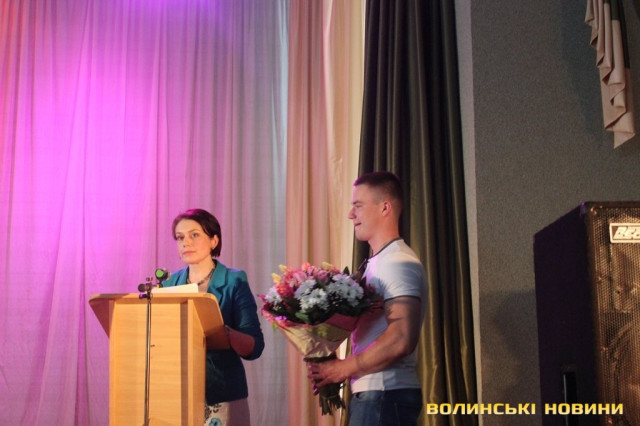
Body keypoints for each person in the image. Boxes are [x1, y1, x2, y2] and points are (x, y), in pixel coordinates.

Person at [308, 171, 428, 425]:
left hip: (384, 395)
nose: (350, 214)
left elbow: (401, 339)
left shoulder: (398, 262)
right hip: (376, 397)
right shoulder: (380, 261)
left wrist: (342, 369)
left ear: (385, 208)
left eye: (358, 206)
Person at [162, 208, 264, 426]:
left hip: (222, 394)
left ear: (214, 241)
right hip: (177, 394)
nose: (186, 243)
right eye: (180, 237)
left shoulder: (234, 280)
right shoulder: (168, 285)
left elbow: (255, 346)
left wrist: (222, 332)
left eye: (194, 235)